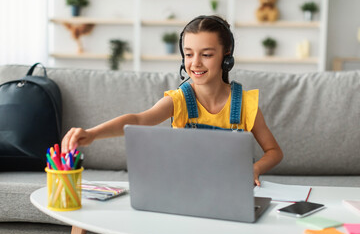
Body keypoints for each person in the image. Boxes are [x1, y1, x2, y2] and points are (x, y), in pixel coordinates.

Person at [61, 15, 283, 186]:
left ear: (227, 54)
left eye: (206, 55)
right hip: (185, 187)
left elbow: (274, 151)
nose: (195, 63)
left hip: (232, 189)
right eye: (188, 54)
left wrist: (254, 169)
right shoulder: (180, 101)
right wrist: (92, 134)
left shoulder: (244, 103)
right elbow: (138, 119)